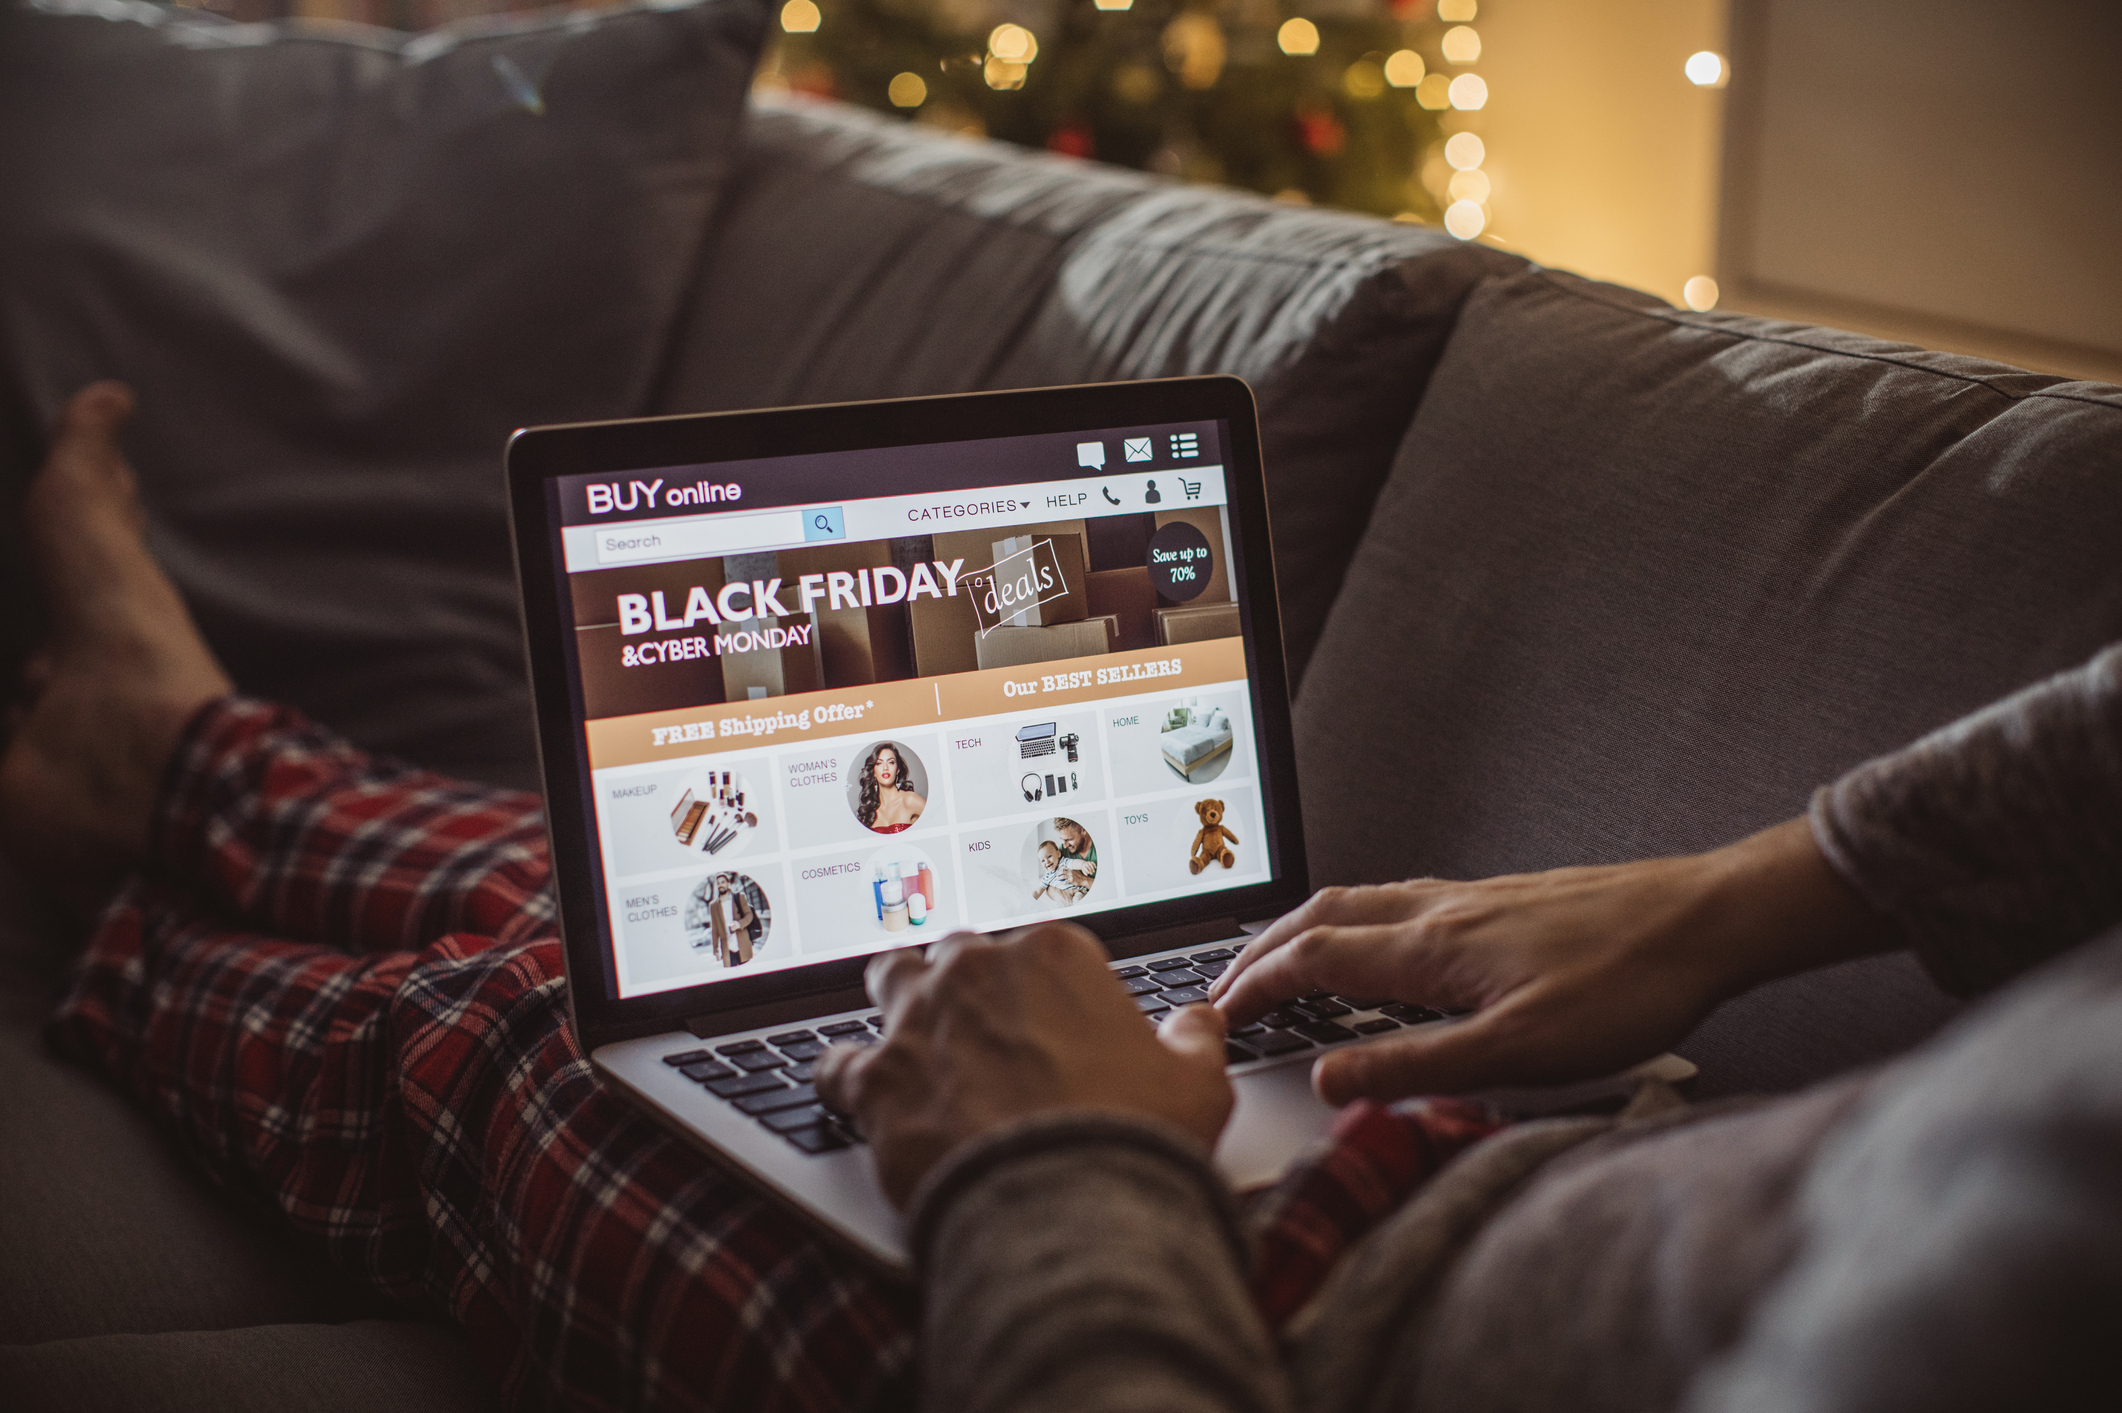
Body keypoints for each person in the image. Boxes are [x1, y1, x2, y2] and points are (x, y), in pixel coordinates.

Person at [7, 383, 2121, 1412]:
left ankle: (102, 901)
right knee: (673, 947)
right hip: (1514, 1146)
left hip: (1230, 1337)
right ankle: (176, 752)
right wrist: (1729, 899)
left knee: (533, 1026)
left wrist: (1051, 1165)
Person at [856, 742, 925, 833]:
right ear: (874, 772)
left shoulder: (909, 800)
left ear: (897, 770)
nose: (885, 767)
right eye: (879, 763)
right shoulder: (869, 813)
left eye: (891, 762)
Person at [1030, 839, 1088, 905]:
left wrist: (1083, 865)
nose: (1047, 862)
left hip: (1078, 892)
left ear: (1058, 854)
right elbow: (1038, 891)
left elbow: (1074, 863)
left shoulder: (1063, 862)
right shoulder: (1047, 876)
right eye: (1043, 861)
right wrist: (1030, 901)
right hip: (1065, 897)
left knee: (1077, 901)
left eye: (1049, 856)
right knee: (1061, 905)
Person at [1053, 816, 1097, 889]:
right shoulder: (1061, 852)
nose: (1065, 846)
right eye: (1062, 839)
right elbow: (1048, 885)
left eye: (1069, 839)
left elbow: (1110, 887)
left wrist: (1083, 880)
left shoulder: (1100, 848)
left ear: (1083, 830)